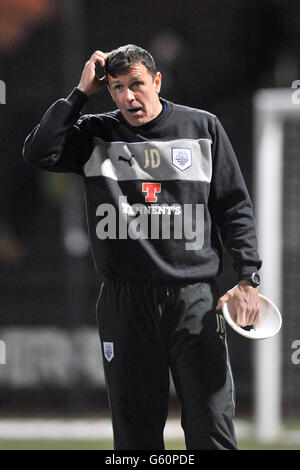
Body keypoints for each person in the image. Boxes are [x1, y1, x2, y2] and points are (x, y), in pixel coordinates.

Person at [23, 44, 262, 450]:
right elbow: (37, 151)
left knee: (212, 428)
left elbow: (234, 209)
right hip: (124, 302)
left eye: (136, 85)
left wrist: (247, 277)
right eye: (116, 88)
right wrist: (80, 94)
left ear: (157, 81)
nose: (128, 96)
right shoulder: (95, 133)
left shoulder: (202, 128)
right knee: (136, 438)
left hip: (194, 303)